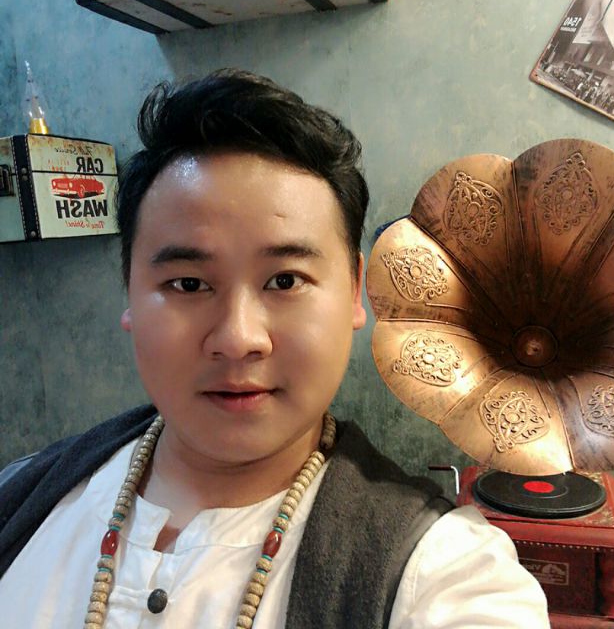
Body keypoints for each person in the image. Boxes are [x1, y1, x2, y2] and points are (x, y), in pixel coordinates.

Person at [0, 69, 550, 628]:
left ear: (354, 290)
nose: (238, 339)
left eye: (285, 280)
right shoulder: (23, 496)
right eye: (188, 284)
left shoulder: (443, 575)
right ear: (130, 294)